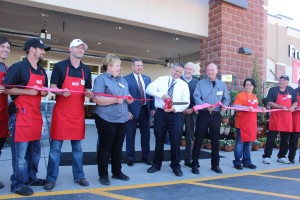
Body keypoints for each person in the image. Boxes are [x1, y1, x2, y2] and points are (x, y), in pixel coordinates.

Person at [3, 38, 50, 196]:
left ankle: (31, 177)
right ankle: (17, 183)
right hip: (21, 116)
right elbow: (6, 89)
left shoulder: (42, 71)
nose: (43, 52)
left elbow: (44, 90)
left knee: (34, 153)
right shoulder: (18, 67)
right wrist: (27, 91)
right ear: (32, 49)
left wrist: (44, 91)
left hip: (35, 116)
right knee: (20, 155)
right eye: (41, 49)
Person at [44, 39, 92, 191]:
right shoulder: (59, 66)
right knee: (55, 149)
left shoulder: (87, 70)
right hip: (61, 113)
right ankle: (51, 178)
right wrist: (61, 92)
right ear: (70, 49)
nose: (80, 50)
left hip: (77, 114)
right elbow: (52, 88)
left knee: (77, 149)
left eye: (82, 48)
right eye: (78, 47)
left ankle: (79, 176)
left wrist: (89, 93)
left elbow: (87, 90)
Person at [93, 54, 134, 186]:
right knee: (105, 148)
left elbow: (126, 97)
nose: (120, 68)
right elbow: (97, 99)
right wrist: (116, 99)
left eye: (120, 65)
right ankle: (103, 175)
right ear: (109, 66)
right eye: (117, 65)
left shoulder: (123, 81)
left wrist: (129, 100)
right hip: (106, 118)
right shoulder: (101, 80)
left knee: (118, 147)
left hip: (122, 119)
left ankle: (117, 172)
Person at [146, 62, 190, 177]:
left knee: (175, 141)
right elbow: (149, 89)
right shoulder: (161, 79)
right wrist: (161, 95)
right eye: (176, 71)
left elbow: (186, 102)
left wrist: (174, 108)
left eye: (180, 72)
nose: (178, 74)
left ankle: (176, 166)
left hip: (176, 115)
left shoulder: (183, 84)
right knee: (159, 140)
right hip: (160, 114)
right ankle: (156, 164)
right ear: (172, 69)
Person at [192, 63, 230, 174]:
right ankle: (195, 165)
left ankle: (215, 165)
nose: (210, 72)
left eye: (212, 70)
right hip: (203, 115)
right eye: (208, 70)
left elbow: (226, 98)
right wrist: (205, 105)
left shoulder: (222, 85)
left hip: (216, 115)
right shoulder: (200, 83)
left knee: (215, 140)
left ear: (216, 71)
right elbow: (196, 96)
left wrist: (224, 107)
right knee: (198, 139)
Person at [124, 58, 155, 167]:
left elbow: (151, 94)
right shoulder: (125, 79)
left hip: (145, 110)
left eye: (141, 65)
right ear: (132, 66)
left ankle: (146, 157)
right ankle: (130, 158)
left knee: (146, 135)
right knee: (130, 135)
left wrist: (152, 108)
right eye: (137, 65)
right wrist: (127, 111)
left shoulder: (147, 79)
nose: (140, 67)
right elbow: (124, 96)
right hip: (131, 112)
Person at [262, 75, 297, 164]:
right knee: (271, 138)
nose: (281, 81)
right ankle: (266, 156)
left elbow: (295, 101)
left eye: (284, 80)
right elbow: (269, 102)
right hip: (276, 118)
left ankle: (281, 156)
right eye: (280, 80)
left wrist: (292, 107)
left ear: (287, 82)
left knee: (285, 139)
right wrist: (281, 107)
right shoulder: (273, 90)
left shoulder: (291, 90)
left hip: (287, 119)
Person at [232, 78, 259, 170]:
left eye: (250, 85)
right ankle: (237, 162)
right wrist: (247, 107)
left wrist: (261, 108)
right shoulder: (241, 96)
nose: (248, 86)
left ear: (253, 87)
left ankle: (247, 161)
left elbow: (255, 107)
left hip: (251, 125)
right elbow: (235, 106)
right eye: (246, 85)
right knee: (240, 143)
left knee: (248, 143)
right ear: (244, 86)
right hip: (241, 124)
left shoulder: (255, 97)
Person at [180, 62, 198, 168]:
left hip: (191, 112)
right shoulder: (178, 80)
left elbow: (199, 97)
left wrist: (193, 108)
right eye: (186, 68)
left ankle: (188, 160)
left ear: (193, 71)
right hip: (178, 112)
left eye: (190, 69)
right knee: (175, 135)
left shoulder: (197, 82)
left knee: (190, 136)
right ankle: (175, 159)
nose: (187, 70)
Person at [0, 37, 11, 189]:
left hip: (2, 114)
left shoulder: (5, 67)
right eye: (2, 46)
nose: (6, 50)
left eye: (8, 48)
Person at [288, 78, 300, 163]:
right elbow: (289, 103)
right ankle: (291, 157)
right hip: (295, 120)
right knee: (294, 141)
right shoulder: (294, 92)